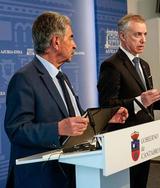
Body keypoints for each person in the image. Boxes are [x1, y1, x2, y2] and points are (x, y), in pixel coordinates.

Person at [4, 11, 128, 188]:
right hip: (41, 179)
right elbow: (16, 130)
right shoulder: (24, 79)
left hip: (69, 171)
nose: (75, 45)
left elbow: (75, 121)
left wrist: (105, 119)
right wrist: (58, 128)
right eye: (71, 38)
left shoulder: (62, 77)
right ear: (56, 42)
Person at [97, 14, 160, 188]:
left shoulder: (144, 64)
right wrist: (139, 101)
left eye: (145, 34)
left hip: (145, 137)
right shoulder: (111, 65)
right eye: (137, 34)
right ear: (122, 36)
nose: (143, 39)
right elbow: (107, 106)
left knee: (141, 183)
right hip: (125, 138)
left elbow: (148, 103)